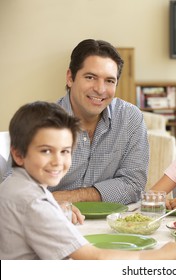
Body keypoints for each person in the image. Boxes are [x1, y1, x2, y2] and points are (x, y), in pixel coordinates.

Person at [0, 101, 176, 260]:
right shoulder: (35, 204)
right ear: (18, 154)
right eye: (46, 151)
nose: (57, 161)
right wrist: (162, 254)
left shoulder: (13, 186)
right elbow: (95, 258)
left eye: (65, 151)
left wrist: (56, 211)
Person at [50, 39, 149, 205]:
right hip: (53, 221)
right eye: (90, 77)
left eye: (109, 81)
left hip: (112, 224)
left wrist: (72, 197)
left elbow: (134, 184)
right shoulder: (40, 121)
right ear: (70, 78)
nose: (100, 89)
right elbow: (16, 187)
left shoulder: (130, 118)